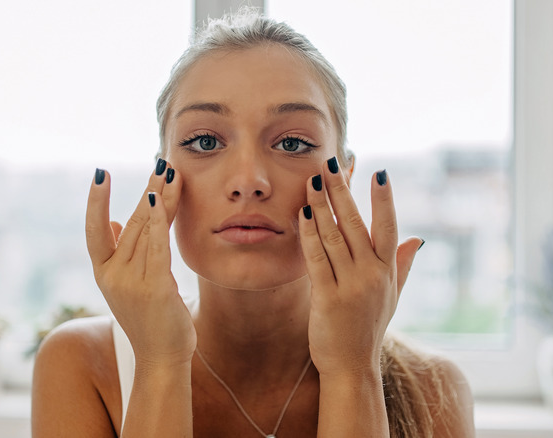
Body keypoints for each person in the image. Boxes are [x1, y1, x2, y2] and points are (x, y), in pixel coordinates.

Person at [32, 9, 474, 438]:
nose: (249, 182)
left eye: (292, 143)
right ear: (163, 177)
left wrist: (353, 370)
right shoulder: (83, 364)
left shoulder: (433, 390)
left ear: (345, 175)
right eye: (205, 141)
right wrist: (160, 363)